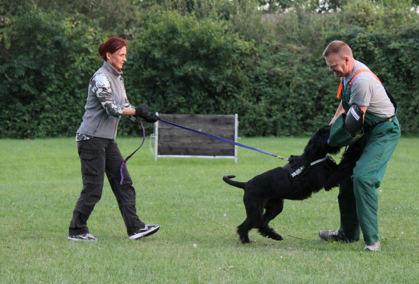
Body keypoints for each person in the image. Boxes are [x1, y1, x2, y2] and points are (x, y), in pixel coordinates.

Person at [68, 37, 160, 241]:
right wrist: (136, 111)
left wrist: (144, 114)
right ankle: (77, 230)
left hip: (107, 140)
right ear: (109, 56)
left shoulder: (118, 77)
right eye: (121, 55)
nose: (125, 59)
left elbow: (124, 105)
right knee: (93, 188)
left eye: (125, 55)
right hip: (91, 139)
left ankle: (135, 227)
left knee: (123, 181)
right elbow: (110, 108)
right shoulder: (101, 77)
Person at [319, 40, 401, 251]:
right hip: (366, 130)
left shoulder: (361, 79)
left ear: (346, 59)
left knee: (363, 177)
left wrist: (331, 142)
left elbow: (354, 124)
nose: (331, 69)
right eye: (329, 65)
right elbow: (345, 104)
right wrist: (331, 125)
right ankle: (347, 234)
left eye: (333, 65)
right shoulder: (347, 75)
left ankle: (372, 242)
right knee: (345, 178)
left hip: (383, 131)